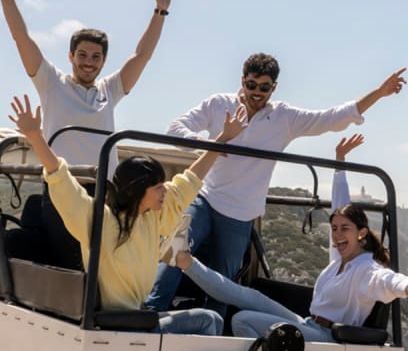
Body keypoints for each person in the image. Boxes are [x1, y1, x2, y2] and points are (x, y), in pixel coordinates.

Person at [145, 52, 407, 315]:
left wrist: (379, 93)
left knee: (224, 280)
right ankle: (150, 312)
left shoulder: (284, 117)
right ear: (242, 81)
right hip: (206, 196)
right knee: (175, 246)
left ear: (274, 88)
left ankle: (212, 325)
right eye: (251, 85)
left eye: (264, 87)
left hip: (240, 212)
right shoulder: (218, 104)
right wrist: (212, 144)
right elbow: (175, 129)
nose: (257, 92)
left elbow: (331, 118)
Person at [170, 134, 408, 341]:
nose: (337, 234)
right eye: (334, 228)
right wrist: (340, 163)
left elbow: (389, 281)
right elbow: (340, 203)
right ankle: (184, 260)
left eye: (345, 229)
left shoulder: (367, 269)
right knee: (248, 295)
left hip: (327, 338)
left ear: (361, 233)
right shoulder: (339, 258)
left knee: (243, 319)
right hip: (309, 324)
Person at [8, 94, 247, 334]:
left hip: (139, 315)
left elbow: (190, 180)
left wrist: (222, 139)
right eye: (158, 187)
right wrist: (35, 136)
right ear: (137, 191)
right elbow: (61, 180)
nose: (164, 190)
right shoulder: (99, 219)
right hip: (120, 324)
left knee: (210, 319)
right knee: (210, 320)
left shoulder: (153, 216)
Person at [0, 0, 173, 268]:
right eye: (82, 55)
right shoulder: (52, 83)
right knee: (72, 261)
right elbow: (22, 38)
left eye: (95, 57)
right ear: (71, 56)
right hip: (64, 188)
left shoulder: (110, 90)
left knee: (99, 263)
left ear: (103, 61)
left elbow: (141, 56)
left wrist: (160, 12)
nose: (89, 62)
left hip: (104, 191)